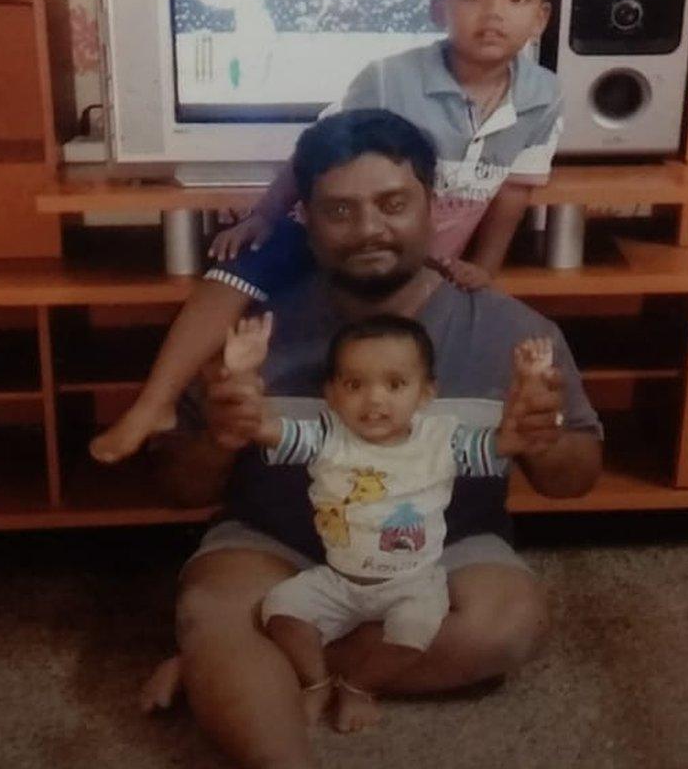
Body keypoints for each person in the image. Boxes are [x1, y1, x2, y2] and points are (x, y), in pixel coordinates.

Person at [143, 109, 602, 769]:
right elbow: (177, 491)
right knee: (215, 604)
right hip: (278, 546)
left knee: (505, 626)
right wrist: (219, 437)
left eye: (393, 204)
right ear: (304, 217)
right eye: (340, 211)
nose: (369, 231)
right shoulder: (249, 334)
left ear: (432, 205)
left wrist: (541, 440)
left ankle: (237, 665)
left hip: (442, 553)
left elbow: (574, 479)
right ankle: (247, 676)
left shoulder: (512, 333)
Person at [90, 0, 561, 465]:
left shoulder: (543, 96)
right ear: (440, 6)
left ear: (541, 17)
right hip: (331, 227)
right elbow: (315, 155)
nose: (493, 14)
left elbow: (513, 191)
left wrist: (487, 266)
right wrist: (266, 214)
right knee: (232, 276)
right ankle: (155, 404)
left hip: (420, 247)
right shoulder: (389, 78)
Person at [217, 310, 557, 733]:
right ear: (332, 394)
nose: (375, 400)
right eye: (355, 385)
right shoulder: (326, 436)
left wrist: (529, 385)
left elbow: (509, 440)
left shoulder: (442, 440)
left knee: (415, 635)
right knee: (280, 612)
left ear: (426, 393)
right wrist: (241, 373)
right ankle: (316, 680)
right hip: (337, 578)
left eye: (395, 385)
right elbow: (260, 426)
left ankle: (358, 686)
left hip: (414, 583)